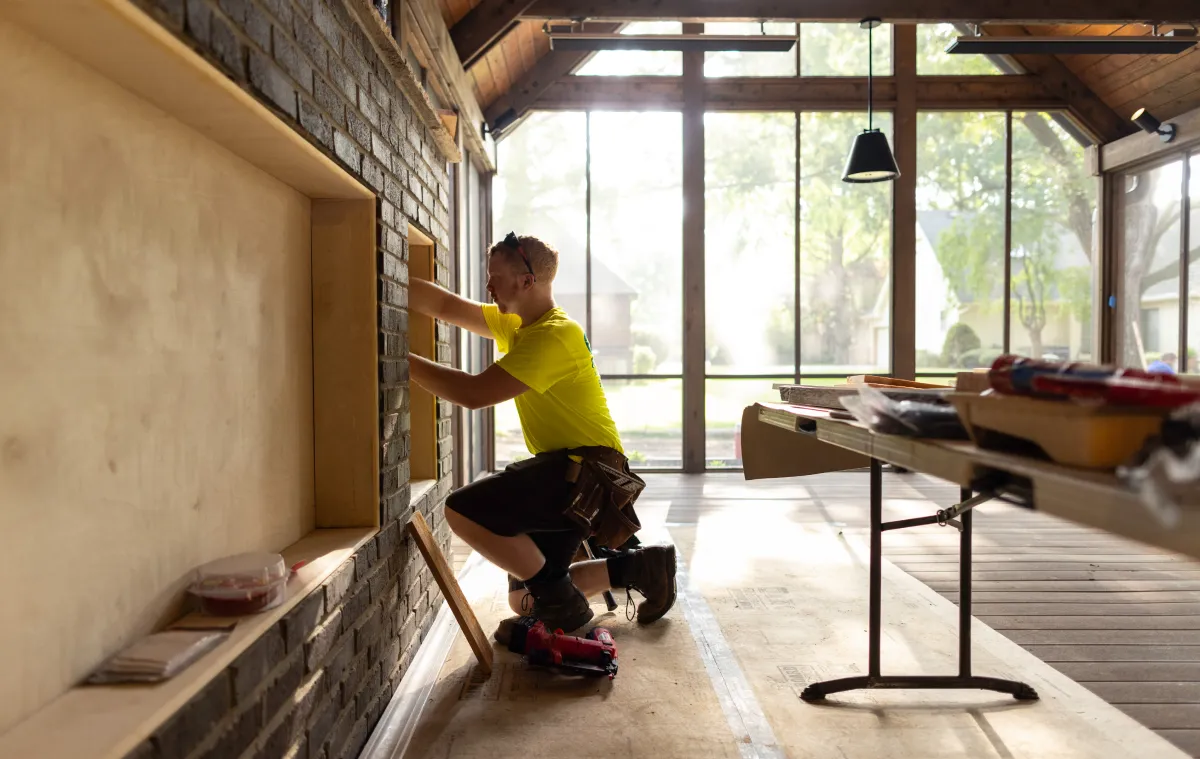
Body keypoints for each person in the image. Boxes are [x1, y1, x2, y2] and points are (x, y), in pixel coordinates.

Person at [406, 232, 677, 633]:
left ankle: (562, 603)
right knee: (523, 601)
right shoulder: (518, 324)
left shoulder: (554, 335)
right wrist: (383, 278)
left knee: (461, 510)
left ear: (526, 281)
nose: (488, 285)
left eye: (495, 277)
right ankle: (643, 568)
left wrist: (400, 361)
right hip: (569, 469)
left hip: (586, 473)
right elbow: (445, 306)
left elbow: (473, 394)